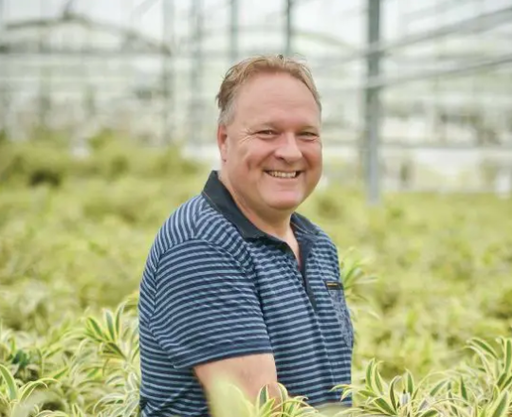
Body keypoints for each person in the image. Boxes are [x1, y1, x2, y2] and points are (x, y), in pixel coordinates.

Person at [137, 54, 354, 417]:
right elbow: (261, 411)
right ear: (224, 141)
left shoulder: (318, 245)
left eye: (307, 134)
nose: (290, 151)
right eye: (268, 132)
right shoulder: (202, 246)